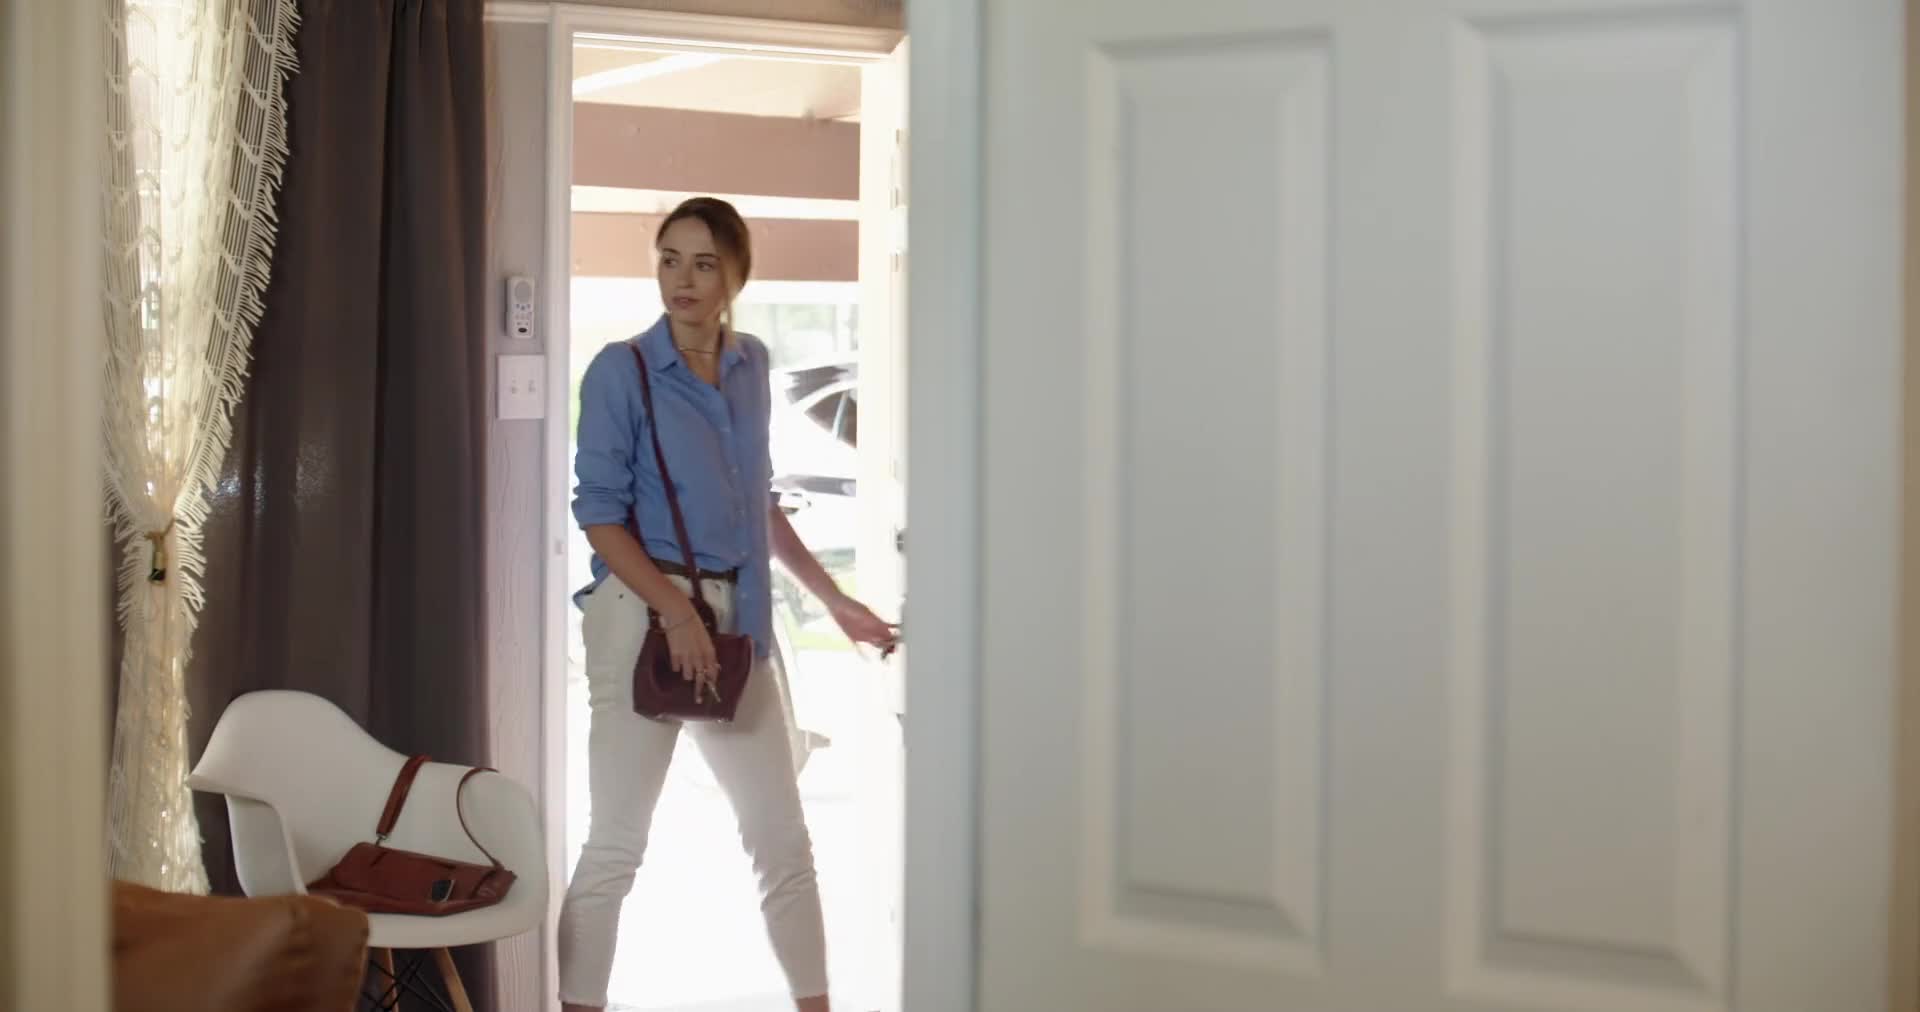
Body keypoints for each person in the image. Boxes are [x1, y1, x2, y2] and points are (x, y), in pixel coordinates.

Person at [557, 197, 897, 1012]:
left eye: (704, 263)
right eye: (669, 259)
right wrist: (676, 614)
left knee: (784, 842)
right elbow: (599, 515)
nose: (682, 278)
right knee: (616, 845)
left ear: (735, 276)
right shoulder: (622, 371)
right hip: (643, 617)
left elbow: (757, 505)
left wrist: (835, 601)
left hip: (736, 626)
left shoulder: (750, 368)